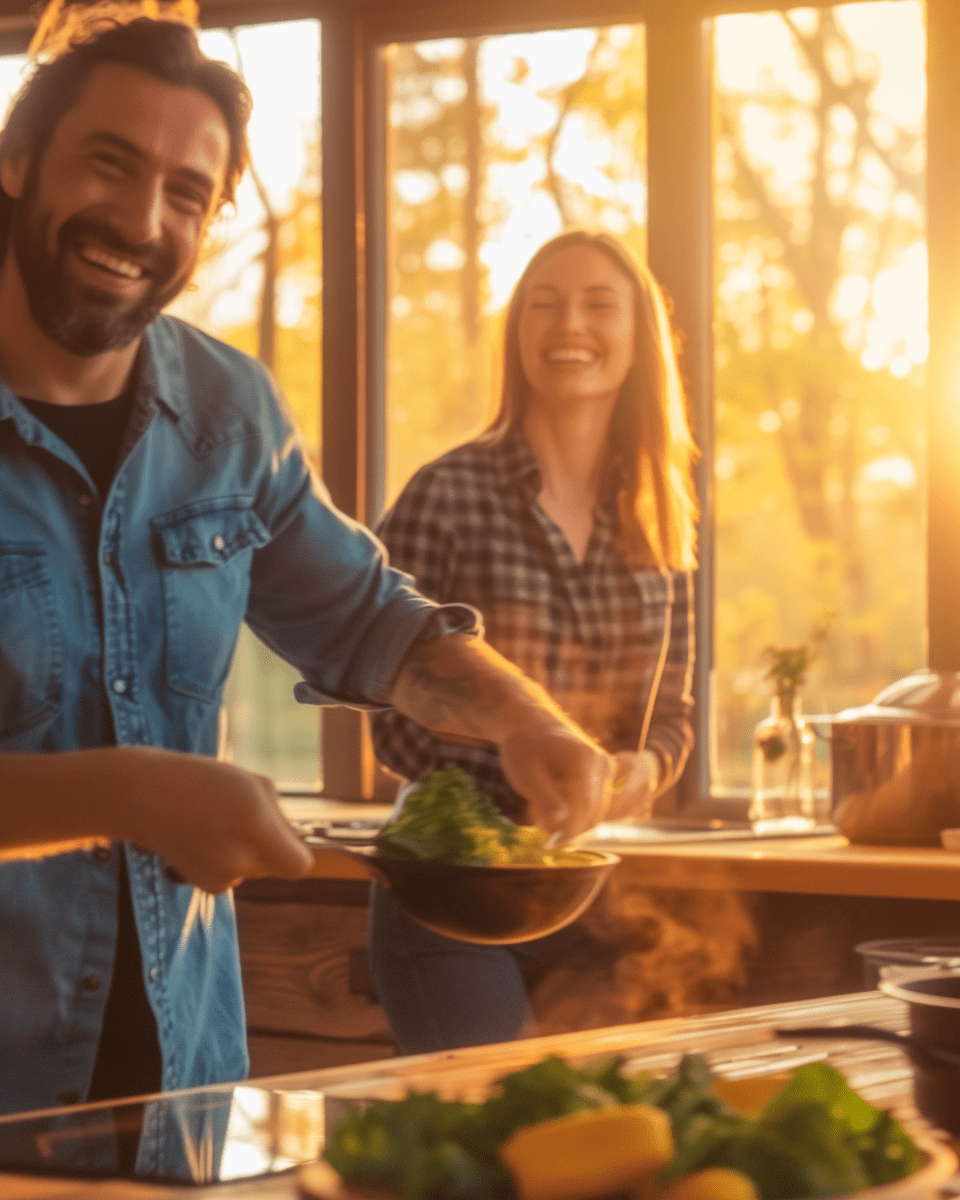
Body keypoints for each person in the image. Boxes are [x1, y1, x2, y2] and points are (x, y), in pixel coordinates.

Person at [0, 15, 613, 1115]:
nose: (141, 220)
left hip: (180, 1101)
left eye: (186, 194)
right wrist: (129, 794)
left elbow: (374, 623)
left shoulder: (230, 411)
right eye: (110, 163)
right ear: (16, 159)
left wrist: (527, 720)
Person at [369, 230, 699, 1054]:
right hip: (455, 884)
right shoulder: (446, 492)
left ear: (639, 339)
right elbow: (388, 709)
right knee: (492, 1115)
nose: (569, 325)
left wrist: (645, 770)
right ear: (517, 335)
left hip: (595, 888)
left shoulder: (663, 519)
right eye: (544, 305)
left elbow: (673, 715)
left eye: (599, 305)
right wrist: (519, 751)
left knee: (607, 1121)